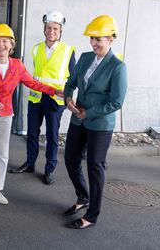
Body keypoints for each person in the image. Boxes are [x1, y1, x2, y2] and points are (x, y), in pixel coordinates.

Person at [0, 24, 62, 205]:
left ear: (11, 44)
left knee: (2, 153)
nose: (1, 45)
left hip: (5, 114)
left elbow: (32, 83)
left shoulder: (17, 65)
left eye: (5, 41)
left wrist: (54, 91)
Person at [63, 15, 127, 229]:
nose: (93, 43)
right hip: (78, 118)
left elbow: (116, 102)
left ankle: (92, 215)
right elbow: (71, 82)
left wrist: (88, 113)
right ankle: (83, 197)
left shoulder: (117, 67)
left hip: (100, 124)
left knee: (94, 166)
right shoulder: (84, 57)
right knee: (71, 160)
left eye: (98, 38)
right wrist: (68, 98)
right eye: (92, 38)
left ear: (111, 39)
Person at [8, 11, 76, 185]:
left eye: (55, 28)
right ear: (44, 29)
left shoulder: (68, 51)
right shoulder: (36, 48)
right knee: (32, 132)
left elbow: (73, 79)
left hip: (56, 100)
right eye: (49, 28)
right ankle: (30, 163)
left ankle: (49, 169)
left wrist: (69, 97)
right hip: (37, 97)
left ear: (60, 31)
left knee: (52, 136)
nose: (51, 31)